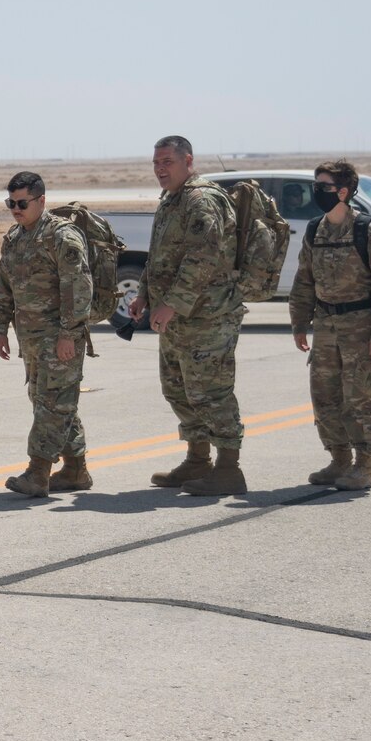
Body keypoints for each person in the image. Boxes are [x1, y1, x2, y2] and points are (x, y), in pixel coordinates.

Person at [133, 134, 247, 496]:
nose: (160, 169)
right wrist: (144, 295)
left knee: (211, 392)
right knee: (178, 389)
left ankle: (229, 468)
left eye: (167, 161)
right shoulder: (172, 201)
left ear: (189, 161)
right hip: (181, 318)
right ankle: (198, 459)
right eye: (156, 163)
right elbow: (161, 257)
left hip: (208, 317)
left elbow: (203, 257)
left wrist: (172, 303)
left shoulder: (201, 200)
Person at [288, 161, 371, 490]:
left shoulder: (369, 231)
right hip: (325, 327)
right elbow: (304, 281)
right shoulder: (315, 230)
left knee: (362, 397)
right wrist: (298, 323)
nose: (316, 191)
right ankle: (339, 460)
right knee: (325, 397)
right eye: (315, 184)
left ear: (344, 191)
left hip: (361, 328)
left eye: (323, 186)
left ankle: (365, 466)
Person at [0, 172, 94, 497]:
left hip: (60, 337)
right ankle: (76, 470)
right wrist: (0, 330)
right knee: (50, 401)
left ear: (41, 201)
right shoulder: (15, 238)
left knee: (52, 405)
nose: (16, 209)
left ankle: (38, 473)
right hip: (31, 339)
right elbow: (5, 288)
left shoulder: (62, 237)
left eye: (22, 203)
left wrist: (69, 334)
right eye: (11, 203)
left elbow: (79, 288)